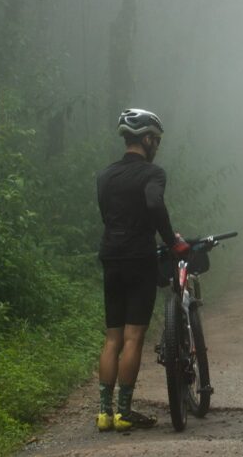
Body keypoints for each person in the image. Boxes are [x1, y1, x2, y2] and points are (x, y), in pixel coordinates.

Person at [95, 108, 190, 431]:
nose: (157, 146)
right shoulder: (153, 173)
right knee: (134, 337)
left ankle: (104, 413)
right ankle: (124, 412)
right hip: (139, 257)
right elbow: (153, 203)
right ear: (147, 139)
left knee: (113, 338)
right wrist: (171, 240)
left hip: (110, 255)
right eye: (156, 140)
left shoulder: (105, 175)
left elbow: (106, 213)